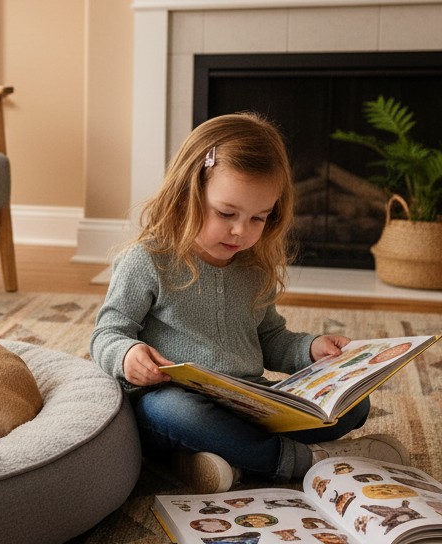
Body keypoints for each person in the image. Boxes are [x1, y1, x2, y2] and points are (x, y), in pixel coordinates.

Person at [91, 112, 409, 494]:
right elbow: (108, 332)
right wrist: (128, 356)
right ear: (187, 195)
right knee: (175, 413)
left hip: (248, 402)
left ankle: (219, 461)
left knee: (354, 405)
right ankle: (305, 462)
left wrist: (310, 349)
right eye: (226, 213)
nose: (241, 231)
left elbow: (271, 338)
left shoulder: (252, 268)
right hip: (172, 404)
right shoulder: (148, 260)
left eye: (259, 218)